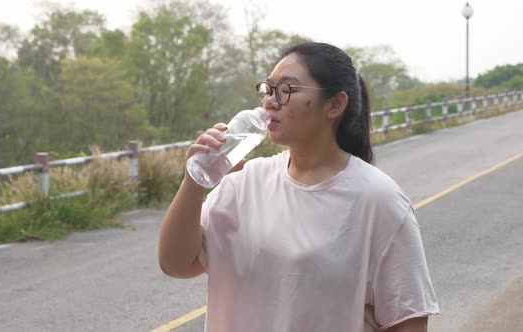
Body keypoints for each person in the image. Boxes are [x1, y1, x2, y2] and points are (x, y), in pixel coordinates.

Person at [158, 41, 439, 332]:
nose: (270, 101)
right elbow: (175, 263)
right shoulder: (245, 184)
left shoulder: (379, 200)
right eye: (268, 89)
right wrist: (194, 182)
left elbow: (407, 320)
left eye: (286, 90)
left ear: (334, 104)